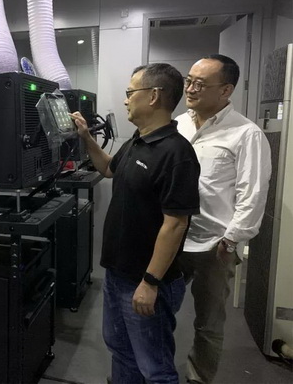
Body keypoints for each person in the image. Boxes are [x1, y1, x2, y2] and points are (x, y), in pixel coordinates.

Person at [71, 63, 200, 384]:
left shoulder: (177, 153)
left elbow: (175, 224)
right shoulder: (137, 142)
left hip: (145, 281)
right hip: (118, 274)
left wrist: (150, 282)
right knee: (121, 351)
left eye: (131, 92)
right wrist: (86, 137)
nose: (126, 99)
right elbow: (109, 169)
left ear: (153, 96)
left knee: (155, 368)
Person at [176, 54, 271, 384]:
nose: (190, 88)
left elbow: (252, 192)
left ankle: (198, 378)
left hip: (214, 245)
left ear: (226, 90)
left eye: (200, 84)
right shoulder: (179, 124)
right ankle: (155, 370)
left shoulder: (246, 134)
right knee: (156, 308)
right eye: (189, 80)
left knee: (208, 322)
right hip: (174, 236)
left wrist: (231, 240)